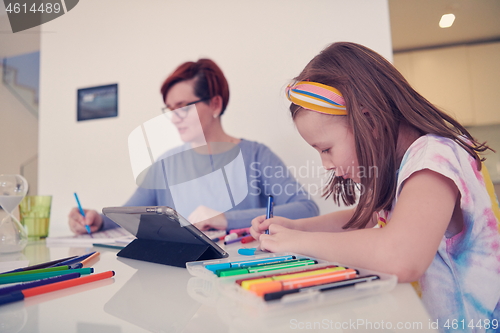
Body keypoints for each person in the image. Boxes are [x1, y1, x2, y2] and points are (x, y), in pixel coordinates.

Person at [250, 42, 500, 330]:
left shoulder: (434, 159)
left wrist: (296, 242)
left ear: (369, 120)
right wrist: (297, 228)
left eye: (326, 148)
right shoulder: (398, 168)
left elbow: (402, 256)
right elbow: (363, 217)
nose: (326, 164)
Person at [69, 59, 318, 234]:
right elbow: (131, 215)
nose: (174, 117)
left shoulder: (256, 156)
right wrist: (97, 220)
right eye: (169, 109)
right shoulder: (165, 166)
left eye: (183, 106)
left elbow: (307, 209)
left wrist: (225, 219)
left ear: (215, 104)